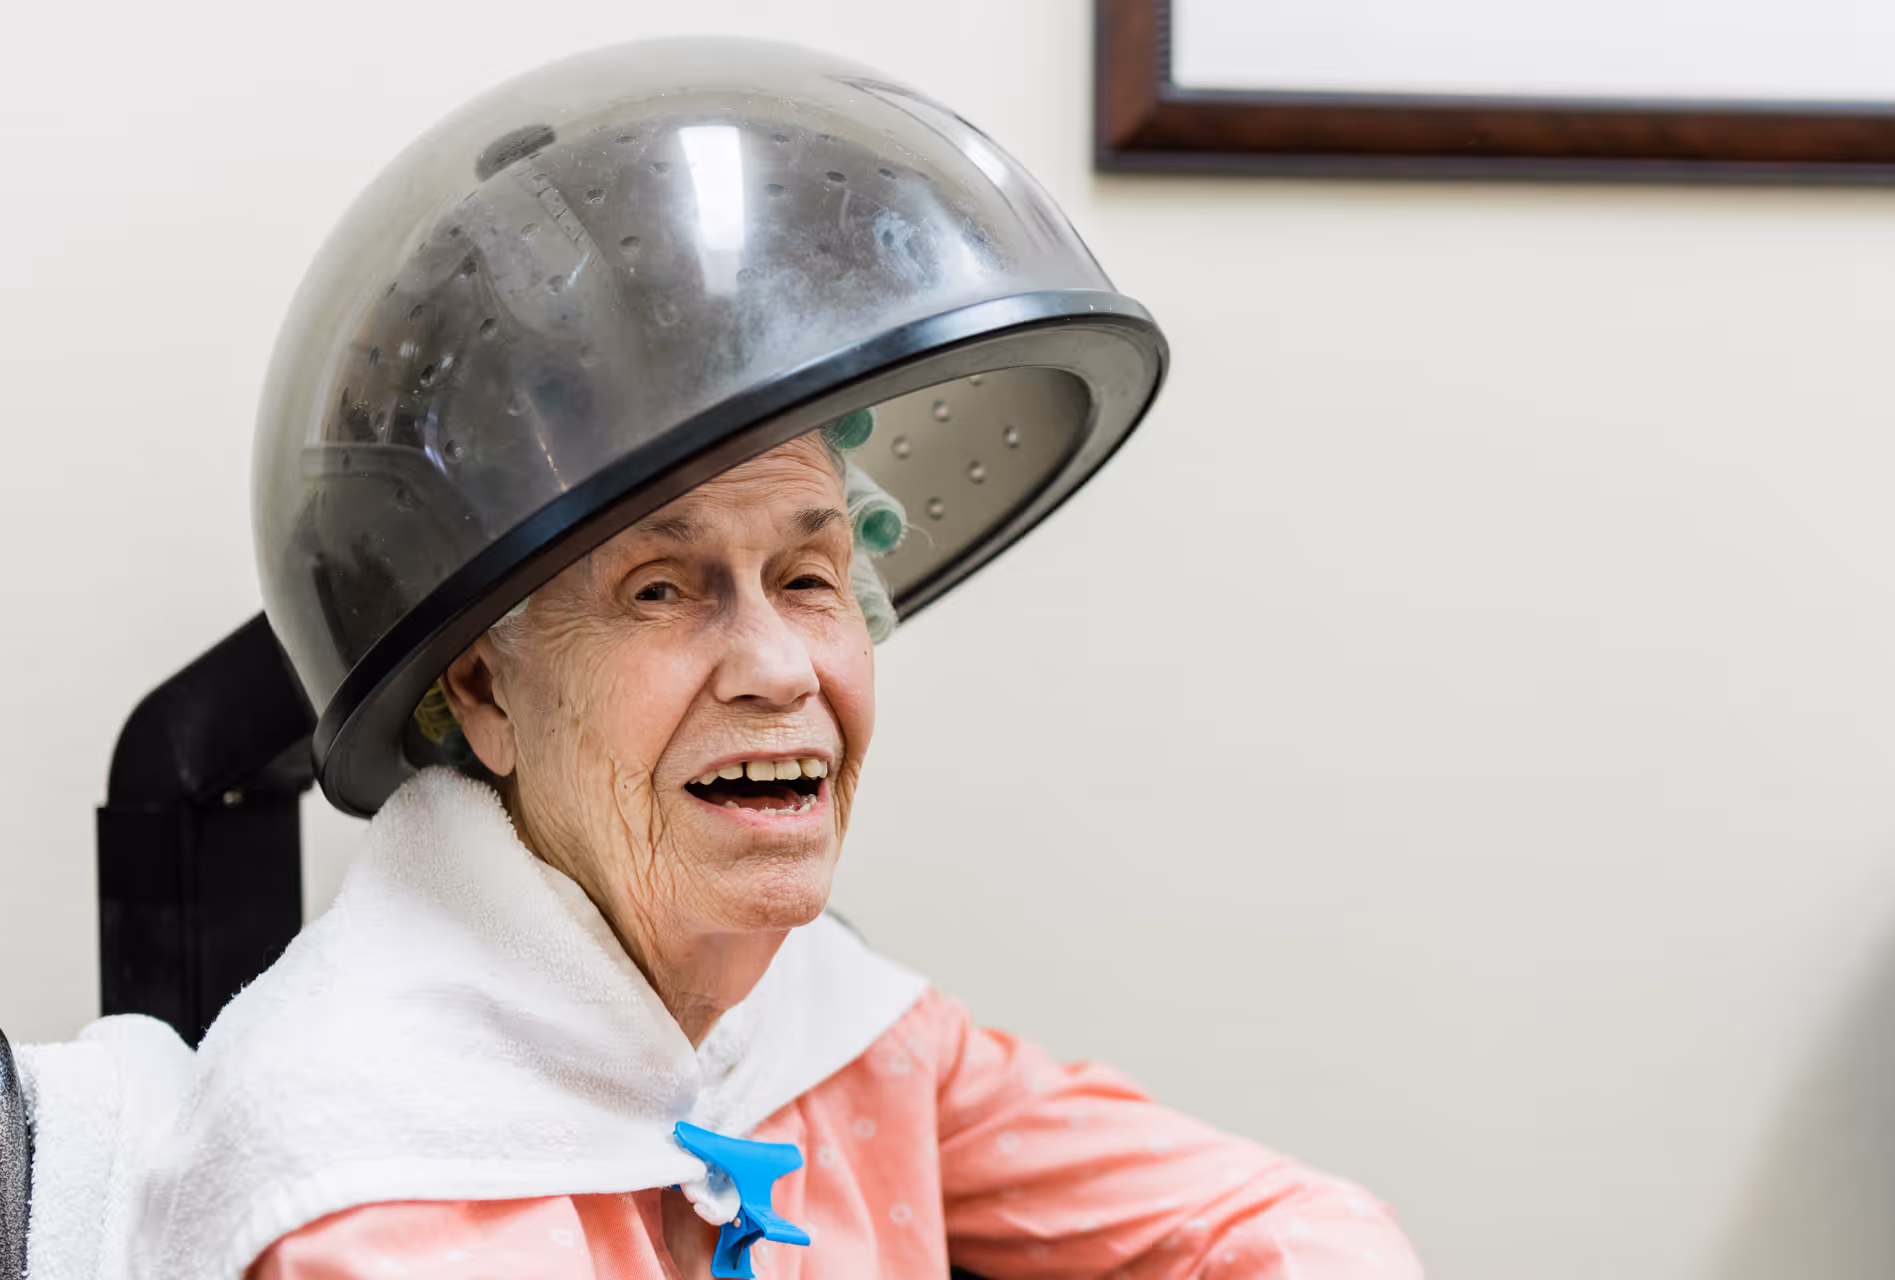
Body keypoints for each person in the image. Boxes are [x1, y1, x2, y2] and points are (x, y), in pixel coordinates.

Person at [18, 36, 1423, 1280]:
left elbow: (1284, 1225)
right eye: (661, 587)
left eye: (810, 576)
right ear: (488, 691)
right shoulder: (366, 1170)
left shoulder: (827, 1028)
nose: (779, 666)